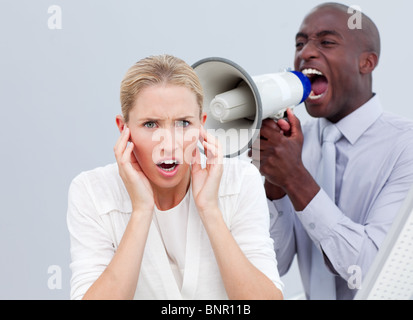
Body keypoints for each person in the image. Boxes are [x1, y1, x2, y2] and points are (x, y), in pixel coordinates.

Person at [67, 54, 283, 300]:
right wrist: (141, 211)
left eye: (183, 123)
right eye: (150, 124)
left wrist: (210, 209)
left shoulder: (241, 180)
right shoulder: (91, 191)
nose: (168, 145)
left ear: (202, 125)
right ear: (123, 129)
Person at [251, 2, 413, 299]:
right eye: (300, 43)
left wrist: (295, 179)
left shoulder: (406, 146)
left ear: (367, 62)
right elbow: (274, 266)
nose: (305, 53)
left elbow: (370, 272)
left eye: (326, 42)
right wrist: (274, 183)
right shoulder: (293, 143)